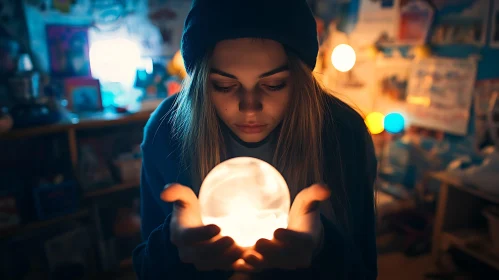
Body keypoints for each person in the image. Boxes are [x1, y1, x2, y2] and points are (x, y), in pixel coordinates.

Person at [133, 0, 378, 279]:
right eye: (224, 86)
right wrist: (172, 249)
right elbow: (145, 269)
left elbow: (364, 271)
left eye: (274, 84)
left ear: (299, 79)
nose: (250, 107)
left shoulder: (343, 132)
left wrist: (322, 251)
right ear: (202, 83)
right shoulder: (167, 130)